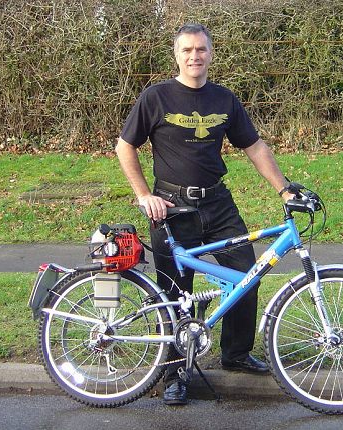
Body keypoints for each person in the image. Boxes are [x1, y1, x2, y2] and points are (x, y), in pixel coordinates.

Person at [116, 23, 294, 406]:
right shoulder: (156, 97)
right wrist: (144, 194)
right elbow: (125, 146)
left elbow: (254, 146)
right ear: (176, 55)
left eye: (201, 50)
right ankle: (175, 374)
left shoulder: (225, 100)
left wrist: (284, 187)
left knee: (248, 274)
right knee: (175, 293)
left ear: (211, 54)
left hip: (217, 203)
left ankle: (235, 354)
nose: (194, 56)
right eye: (187, 50)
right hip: (171, 207)